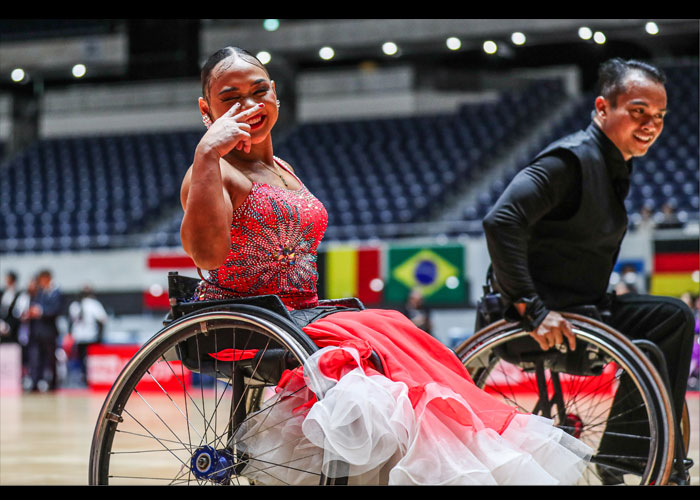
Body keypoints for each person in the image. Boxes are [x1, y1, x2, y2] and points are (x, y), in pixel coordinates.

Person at [178, 46, 592, 485]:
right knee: (381, 354)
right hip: (251, 315)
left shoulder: (283, 168)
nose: (250, 106)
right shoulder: (212, 170)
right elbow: (206, 256)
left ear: (276, 94)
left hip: (305, 314)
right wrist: (206, 153)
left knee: (405, 337)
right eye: (231, 97)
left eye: (259, 91)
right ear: (207, 109)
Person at [482, 58, 695, 483]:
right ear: (602, 107)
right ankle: (633, 457)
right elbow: (501, 220)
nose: (651, 124)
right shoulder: (571, 161)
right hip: (539, 315)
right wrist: (531, 307)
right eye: (638, 111)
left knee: (673, 318)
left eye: (659, 116)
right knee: (657, 337)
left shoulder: (615, 164)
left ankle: (625, 455)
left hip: (584, 308)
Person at [24, 269, 63, 392]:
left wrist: (40, 311)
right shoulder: (39, 293)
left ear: (47, 278)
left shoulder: (56, 293)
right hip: (37, 332)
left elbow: (56, 310)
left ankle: (53, 383)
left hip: (49, 332)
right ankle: (35, 382)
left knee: (51, 359)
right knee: (36, 358)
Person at [68, 285, 108, 386]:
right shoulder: (93, 304)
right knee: (88, 359)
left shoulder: (74, 305)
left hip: (80, 337)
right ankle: (88, 377)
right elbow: (103, 319)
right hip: (90, 336)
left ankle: (84, 376)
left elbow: (70, 322)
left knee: (82, 358)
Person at [0, 271, 21, 344]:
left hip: (13, 328)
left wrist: (9, 326)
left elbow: (18, 313)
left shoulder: (19, 293)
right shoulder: (2, 292)